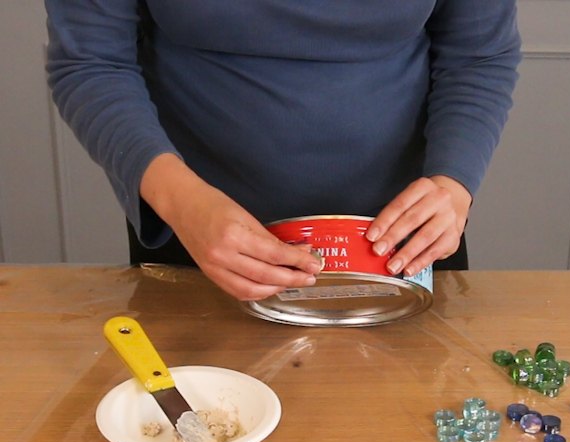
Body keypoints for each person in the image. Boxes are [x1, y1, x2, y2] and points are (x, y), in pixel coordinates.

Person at [45, 1, 521, 301]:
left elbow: (479, 55)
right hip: (201, 233)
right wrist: (181, 202)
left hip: (402, 243)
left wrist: (452, 183)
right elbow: (90, 62)